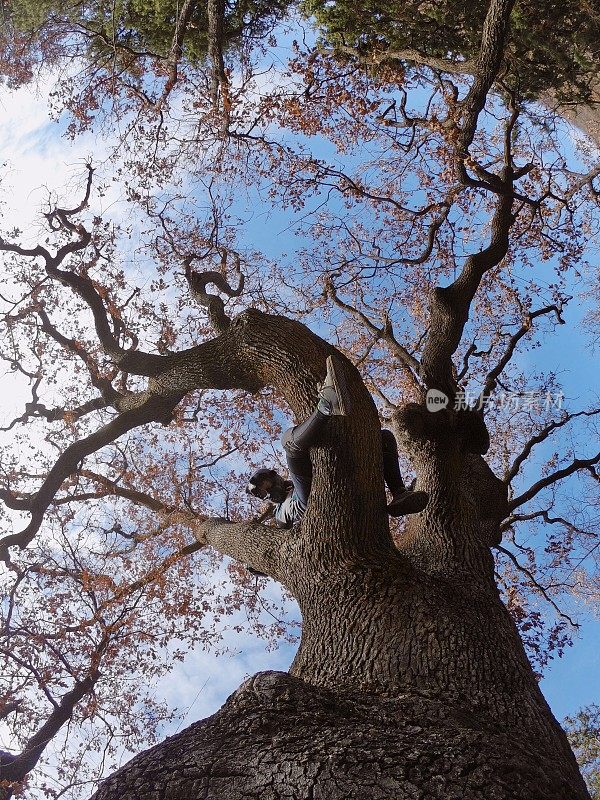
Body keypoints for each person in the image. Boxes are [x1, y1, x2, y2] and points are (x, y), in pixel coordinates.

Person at [246, 357, 428, 529]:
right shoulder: (279, 515)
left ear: (274, 477)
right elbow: (279, 537)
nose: (269, 492)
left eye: (267, 485)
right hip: (309, 503)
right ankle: (326, 406)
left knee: (384, 438)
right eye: (264, 492)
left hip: (336, 482)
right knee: (288, 443)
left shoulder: (291, 483)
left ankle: (399, 493)